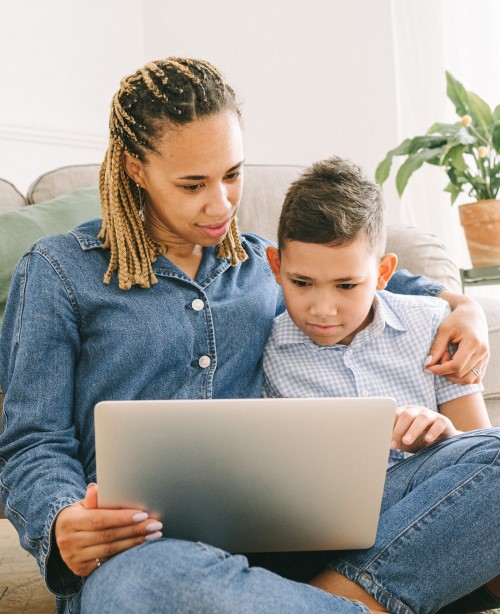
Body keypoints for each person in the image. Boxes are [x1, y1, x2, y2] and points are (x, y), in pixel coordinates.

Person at [0, 57, 494, 614]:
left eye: (232, 174)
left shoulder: (263, 261)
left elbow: (383, 278)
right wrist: (61, 519)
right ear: (136, 168)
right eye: (193, 184)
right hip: (149, 551)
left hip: (300, 536)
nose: (222, 204)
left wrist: (463, 307)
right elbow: (32, 442)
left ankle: (330, 601)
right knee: (137, 588)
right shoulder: (58, 271)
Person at [263, 155, 500, 613]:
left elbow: (480, 453)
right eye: (302, 283)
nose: (323, 308)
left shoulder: (433, 325)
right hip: (319, 536)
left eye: (347, 285)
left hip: (433, 515)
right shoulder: (265, 348)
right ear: (275, 266)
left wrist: (441, 441)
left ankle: (328, 602)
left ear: (384, 272)